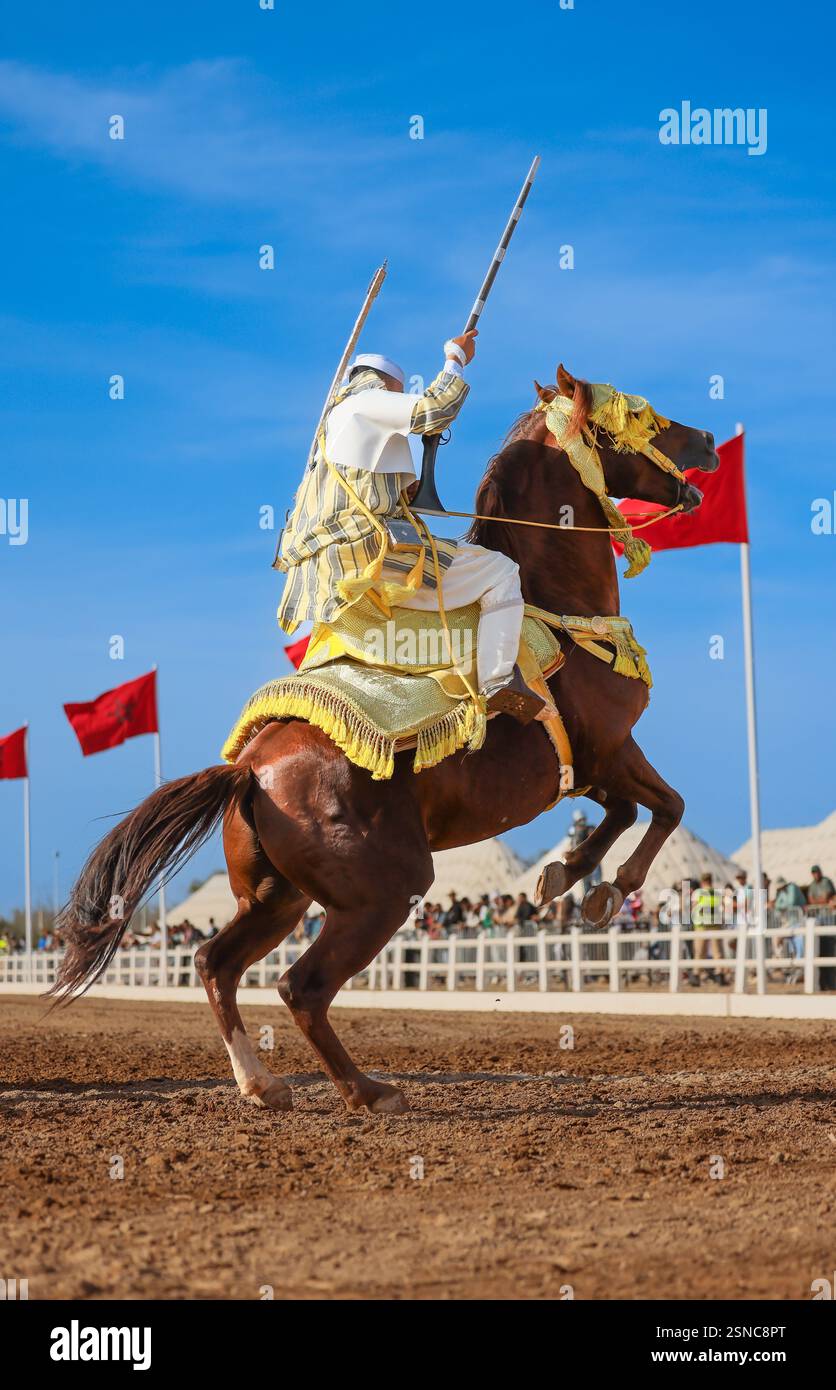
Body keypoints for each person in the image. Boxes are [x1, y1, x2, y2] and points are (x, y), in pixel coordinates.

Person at [276, 336, 556, 723]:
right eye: (398, 391)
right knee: (501, 572)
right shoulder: (365, 403)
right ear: (385, 385)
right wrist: (455, 359)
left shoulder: (332, 431)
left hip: (329, 569)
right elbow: (433, 409)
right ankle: (496, 681)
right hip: (367, 558)